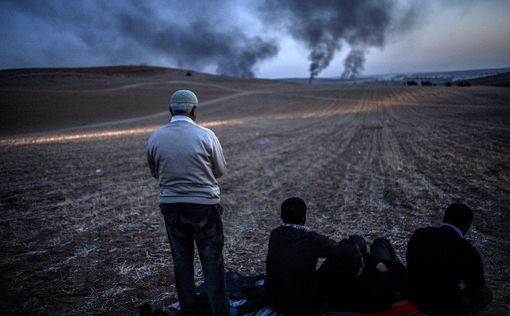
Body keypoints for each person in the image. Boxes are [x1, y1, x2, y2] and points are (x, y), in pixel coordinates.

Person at [147, 89, 229, 316]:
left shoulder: (155, 136)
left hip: (171, 205)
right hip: (205, 205)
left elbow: (155, 172)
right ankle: (219, 312)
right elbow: (220, 171)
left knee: (182, 263)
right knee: (212, 263)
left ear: (170, 110)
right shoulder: (206, 135)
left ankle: (189, 311)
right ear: (194, 110)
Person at [404, 203, 492, 315]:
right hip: (444, 306)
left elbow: (410, 260)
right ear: (467, 227)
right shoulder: (468, 250)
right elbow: (477, 284)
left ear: (444, 218)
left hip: (412, 296)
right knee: (486, 293)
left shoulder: (420, 234)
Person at [264, 197, 336, 315]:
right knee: (338, 257)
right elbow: (337, 248)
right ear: (305, 218)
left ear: (282, 217)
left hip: (274, 300)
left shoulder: (275, 234)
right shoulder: (310, 238)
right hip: (303, 304)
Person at [318, 235, 407, 313]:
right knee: (380, 243)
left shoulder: (329, 279)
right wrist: (382, 262)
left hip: (347, 294)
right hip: (370, 297)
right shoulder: (379, 281)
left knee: (355, 240)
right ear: (362, 263)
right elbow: (399, 270)